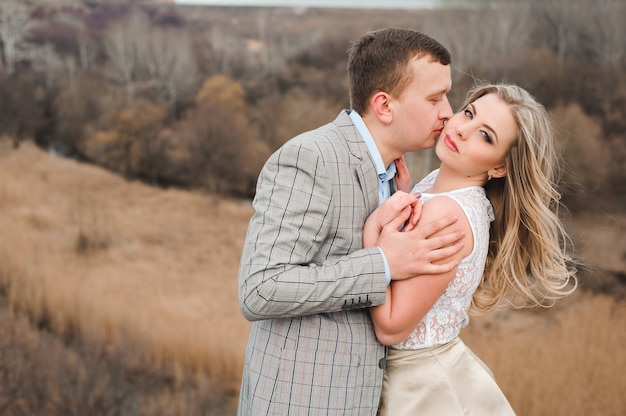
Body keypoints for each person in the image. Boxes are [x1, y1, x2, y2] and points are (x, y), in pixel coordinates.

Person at [237, 28, 467, 416]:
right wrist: (382, 264)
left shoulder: (393, 174)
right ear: (384, 106)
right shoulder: (310, 158)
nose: (448, 112)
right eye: (434, 98)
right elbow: (260, 288)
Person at [363, 82, 578, 415]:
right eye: (469, 114)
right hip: (437, 366)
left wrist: (372, 234)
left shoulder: (447, 214)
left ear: (499, 168)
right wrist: (400, 196)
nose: (462, 130)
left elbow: (392, 326)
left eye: (486, 136)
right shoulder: (445, 187)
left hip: (419, 385)